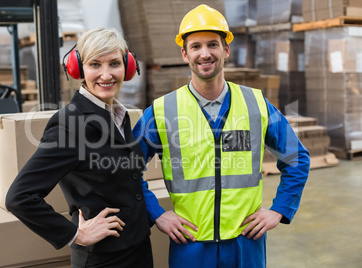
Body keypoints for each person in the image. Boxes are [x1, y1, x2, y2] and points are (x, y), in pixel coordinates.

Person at [133, 4, 310, 268]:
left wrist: (279, 210)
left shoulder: (256, 104)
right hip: (191, 246)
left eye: (212, 45)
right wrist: (156, 214)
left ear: (226, 49)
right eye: (195, 46)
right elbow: (126, 167)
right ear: (184, 53)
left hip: (246, 243)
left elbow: (297, 158)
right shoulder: (162, 111)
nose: (205, 54)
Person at [6, 27, 153, 268]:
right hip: (104, 259)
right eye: (95, 64)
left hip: (137, 250)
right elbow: (19, 197)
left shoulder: (118, 114)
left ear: (126, 68)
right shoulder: (70, 123)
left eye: (114, 63)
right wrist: (75, 234)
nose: (106, 75)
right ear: (79, 69)